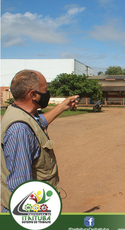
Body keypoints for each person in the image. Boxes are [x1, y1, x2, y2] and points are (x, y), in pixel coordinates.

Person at [1, 69, 78, 216]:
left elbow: (38, 124)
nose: (47, 94)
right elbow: (21, 185)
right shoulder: (20, 130)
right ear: (33, 95)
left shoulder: (19, 112)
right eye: (45, 90)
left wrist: (63, 106)